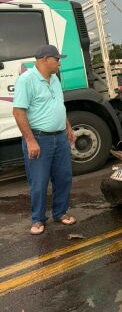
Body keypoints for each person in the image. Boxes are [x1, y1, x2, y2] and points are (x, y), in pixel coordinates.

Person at [13, 45, 77, 235]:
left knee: (63, 178)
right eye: (57, 59)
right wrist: (31, 141)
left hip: (60, 137)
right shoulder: (27, 80)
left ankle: (60, 213)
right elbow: (18, 112)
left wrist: (67, 127)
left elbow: (59, 105)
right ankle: (38, 220)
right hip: (40, 139)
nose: (59, 62)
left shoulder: (55, 79)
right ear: (45, 59)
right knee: (39, 182)